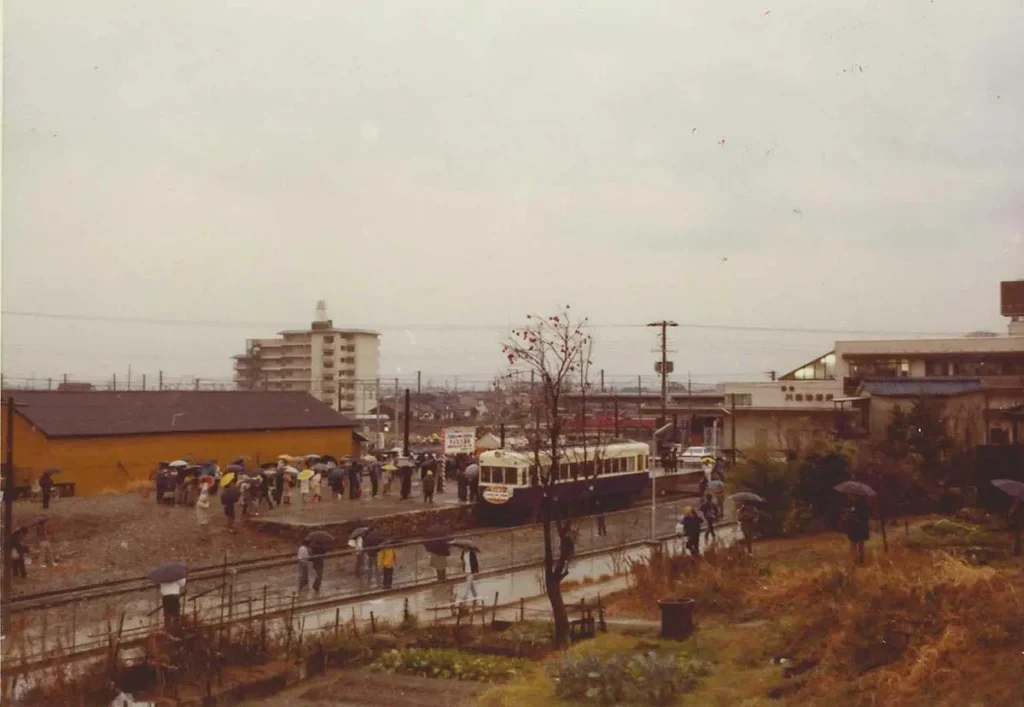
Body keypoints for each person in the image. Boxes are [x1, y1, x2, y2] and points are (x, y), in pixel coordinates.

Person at [843, 495, 870, 565]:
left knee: (859, 544)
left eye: (852, 496)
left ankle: (860, 559)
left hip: (860, 527)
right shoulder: (851, 505)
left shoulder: (863, 506)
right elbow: (850, 514)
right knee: (854, 544)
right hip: (854, 527)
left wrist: (853, 517)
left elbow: (864, 517)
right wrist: (847, 516)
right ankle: (855, 560)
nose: (850, 497)